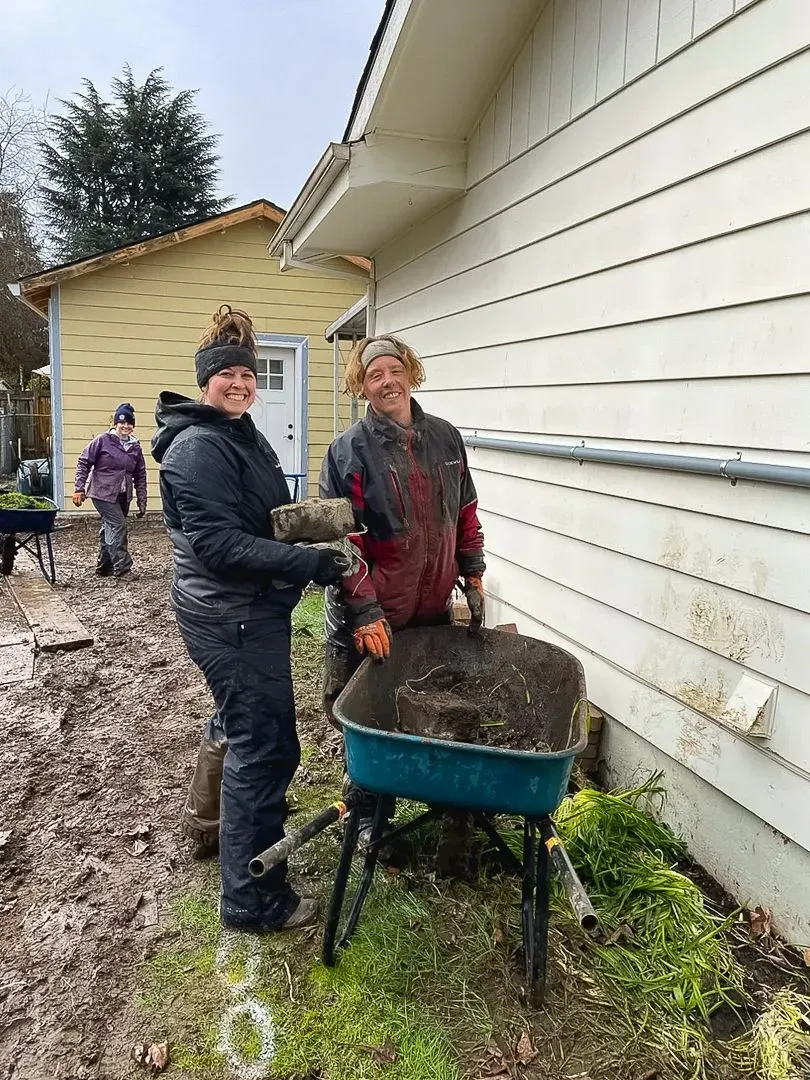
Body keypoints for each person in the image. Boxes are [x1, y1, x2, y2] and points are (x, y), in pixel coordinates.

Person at [151, 305, 346, 933]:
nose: (239, 383)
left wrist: (327, 526)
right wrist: (312, 564)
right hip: (230, 613)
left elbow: (268, 514)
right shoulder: (198, 446)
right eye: (226, 375)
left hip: (244, 609)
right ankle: (251, 899)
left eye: (247, 374)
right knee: (265, 747)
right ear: (204, 381)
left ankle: (207, 828)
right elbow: (220, 546)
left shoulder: (237, 431)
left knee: (234, 724)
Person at [319, 334, 486, 829]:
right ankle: (368, 811)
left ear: (411, 372)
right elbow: (341, 540)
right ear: (362, 387)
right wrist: (364, 610)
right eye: (374, 375)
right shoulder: (349, 450)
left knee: (423, 699)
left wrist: (472, 571)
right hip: (371, 611)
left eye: (395, 370)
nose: (387, 381)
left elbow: (465, 511)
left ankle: (434, 797)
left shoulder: (446, 437)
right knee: (361, 714)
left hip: (431, 606)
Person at [73, 402, 148, 577]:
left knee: (109, 527)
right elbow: (83, 462)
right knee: (118, 526)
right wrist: (79, 488)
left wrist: (141, 500)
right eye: (122, 422)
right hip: (102, 491)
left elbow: (141, 475)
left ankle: (104, 566)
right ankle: (123, 568)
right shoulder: (102, 440)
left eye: (130, 423)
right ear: (116, 423)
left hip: (123, 494)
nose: (126, 426)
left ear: (133, 426)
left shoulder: (135, 446)